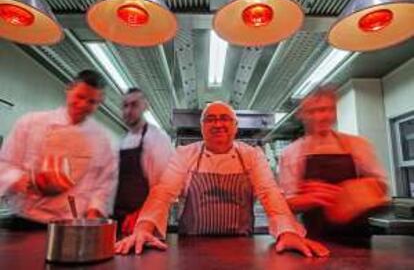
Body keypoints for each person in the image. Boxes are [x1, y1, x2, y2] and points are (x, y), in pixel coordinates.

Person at [115, 101, 329, 257]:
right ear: (202, 127)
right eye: (211, 119)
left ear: (236, 126)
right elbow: (163, 192)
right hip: (189, 250)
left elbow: (269, 193)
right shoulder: (184, 154)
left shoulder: (252, 155)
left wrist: (287, 232)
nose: (218, 124)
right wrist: (143, 228)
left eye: (225, 118)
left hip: (242, 250)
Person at [0, 70, 117, 228]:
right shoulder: (31, 123)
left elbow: (103, 185)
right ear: (68, 89)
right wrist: (29, 182)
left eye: (92, 102)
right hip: (26, 219)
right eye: (80, 97)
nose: (83, 105)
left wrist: (94, 211)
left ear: (99, 103)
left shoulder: (102, 140)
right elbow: (5, 164)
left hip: (70, 224)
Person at [278, 87, 388, 237]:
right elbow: (287, 204)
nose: (320, 116)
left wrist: (351, 193)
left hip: (357, 236)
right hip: (314, 237)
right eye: (313, 111)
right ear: (302, 115)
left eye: (327, 110)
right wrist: (312, 198)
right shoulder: (291, 153)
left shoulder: (358, 145)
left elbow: (382, 186)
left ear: (335, 112)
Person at [113, 88, 174, 236]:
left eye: (134, 105)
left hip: (143, 222)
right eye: (125, 106)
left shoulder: (157, 138)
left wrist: (143, 217)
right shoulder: (123, 140)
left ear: (145, 106)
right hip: (120, 219)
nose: (128, 110)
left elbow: (164, 187)